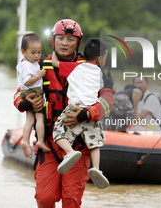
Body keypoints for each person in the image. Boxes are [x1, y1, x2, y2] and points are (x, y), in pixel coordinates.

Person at [13, 19, 114, 208]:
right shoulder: (38, 64)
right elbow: (19, 91)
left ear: (78, 43)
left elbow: (107, 100)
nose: (65, 43)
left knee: (71, 201)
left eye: (70, 39)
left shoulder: (91, 67)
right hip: (49, 145)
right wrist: (24, 102)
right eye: (60, 38)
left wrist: (86, 114)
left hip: (79, 145)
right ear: (53, 40)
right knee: (45, 198)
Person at [51, 38, 109, 189]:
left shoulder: (75, 67)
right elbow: (107, 94)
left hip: (74, 107)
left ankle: (69, 152)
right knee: (95, 143)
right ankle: (96, 168)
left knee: (57, 131)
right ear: (100, 58)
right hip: (91, 109)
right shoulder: (102, 75)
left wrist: (53, 51)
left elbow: (55, 63)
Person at [17, 33, 50, 158]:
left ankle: (25, 140)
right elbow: (26, 81)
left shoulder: (23, 63)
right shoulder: (28, 65)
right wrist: (39, 75)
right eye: (33, 52)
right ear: (23, 52)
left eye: (39, 52)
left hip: (26, 93)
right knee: (39, 118)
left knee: (30, 120)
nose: (37, 56)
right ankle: (40, 141)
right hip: (34, 92)